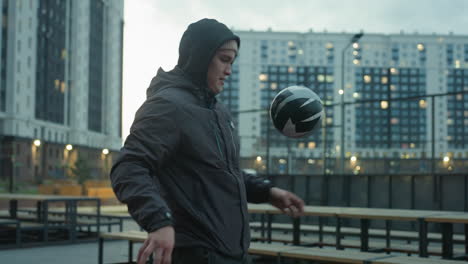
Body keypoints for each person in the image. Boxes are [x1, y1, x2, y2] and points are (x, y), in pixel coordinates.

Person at [110, 18, 305, 264]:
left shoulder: (218, 112)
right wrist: (158, 221)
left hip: (232, 252)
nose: (229, 70)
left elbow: (219, 173)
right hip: (196, 253)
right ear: (200, 56)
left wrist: (267, 191)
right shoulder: (168, 105)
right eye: (224, 59)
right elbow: (128, 167)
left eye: (232, 62)